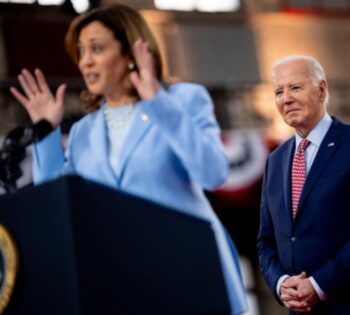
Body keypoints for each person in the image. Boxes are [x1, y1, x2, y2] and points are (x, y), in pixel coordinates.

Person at [10, 5, 248, 314]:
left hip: (191, 271)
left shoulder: (183, 100)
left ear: (131, 51)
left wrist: (157, 103)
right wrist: (47, 134)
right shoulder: (84, 131)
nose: (85, 61)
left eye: (96, 49)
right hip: (127, 283)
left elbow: (214, 173)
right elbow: (60, 206)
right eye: (80, 52)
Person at [257, 55, 350, 315]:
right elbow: (266, 241)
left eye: (295, 88)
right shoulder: (274, 161)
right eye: (278, 91)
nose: (285, 98)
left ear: (321, 90)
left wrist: (319, 285)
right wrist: (281, 283)